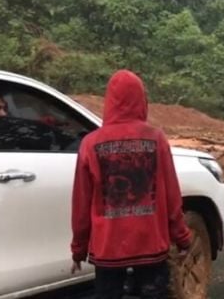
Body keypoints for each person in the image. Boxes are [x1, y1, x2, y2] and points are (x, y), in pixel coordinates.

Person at [70, 70, 192, 299]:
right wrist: (182, 238)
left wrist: (78, 249)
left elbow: (81, 204)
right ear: (141, 101)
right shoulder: (156, 139)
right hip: (151, 247)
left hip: (108, 251)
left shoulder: (90, 144)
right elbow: (172, 197)